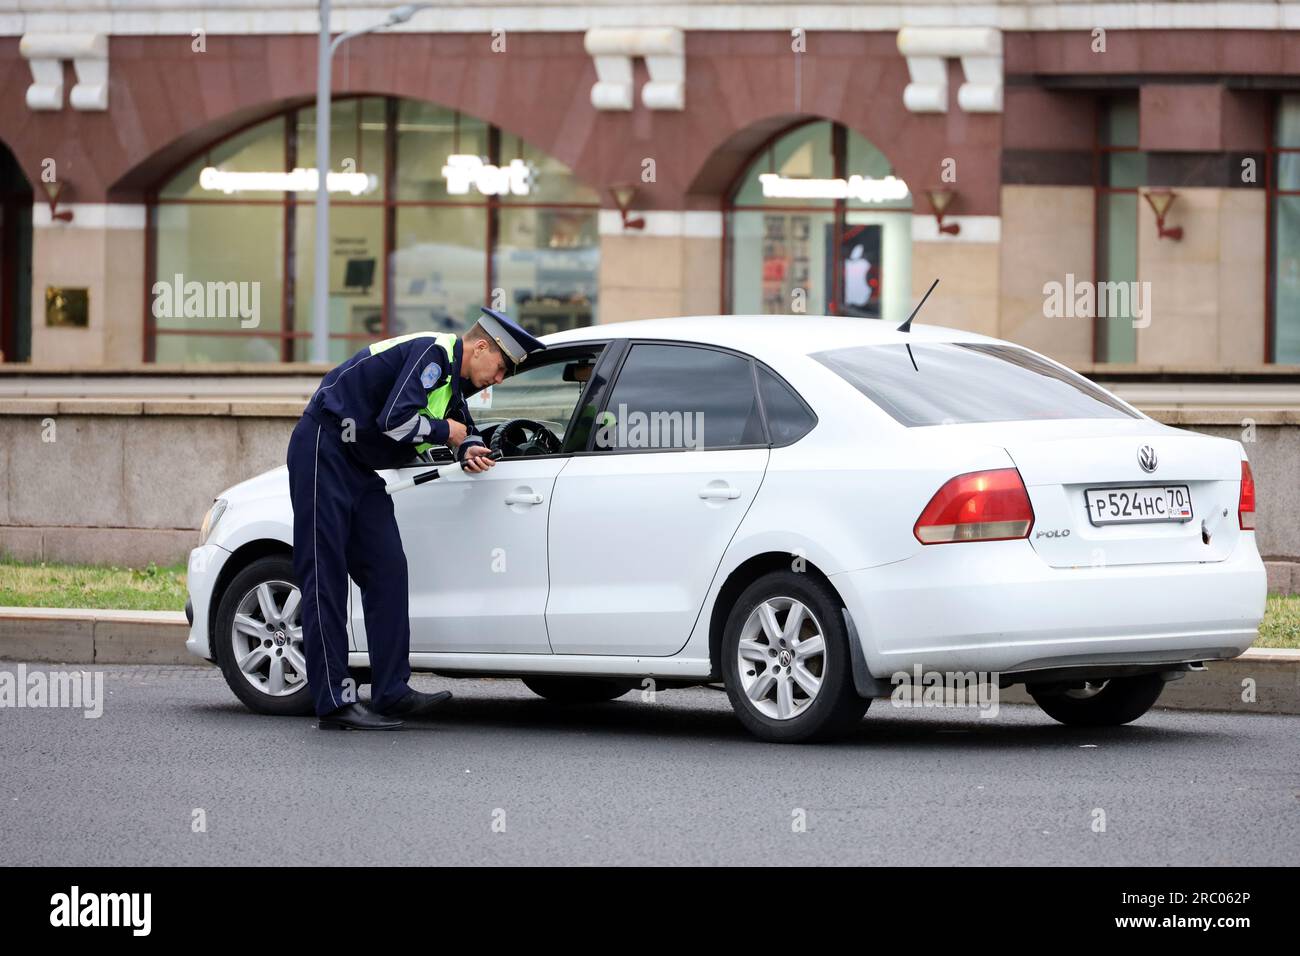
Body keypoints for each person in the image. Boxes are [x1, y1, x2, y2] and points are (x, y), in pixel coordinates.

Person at [286, 307, 546, 730]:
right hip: (324, 446)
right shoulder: (433, 353)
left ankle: (391, 692)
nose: (498, 380)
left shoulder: (452, 381)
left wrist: (469, 448)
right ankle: (334, 703)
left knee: (387, 567)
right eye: (500, 368)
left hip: (358, 466)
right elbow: (395, 421)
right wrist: (448, 434)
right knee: (324, 574)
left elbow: (463, 426)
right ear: (480, 347)